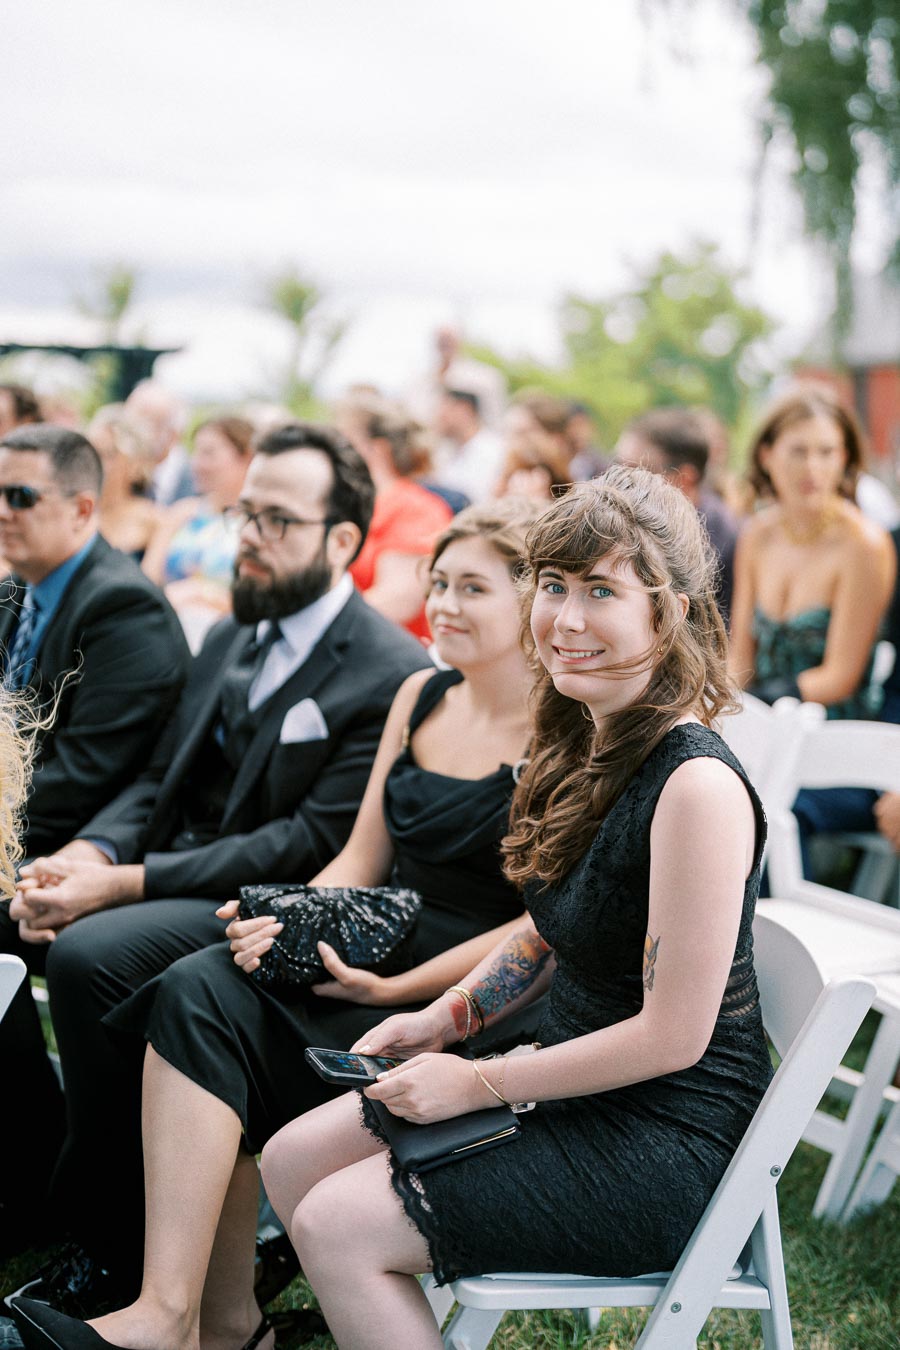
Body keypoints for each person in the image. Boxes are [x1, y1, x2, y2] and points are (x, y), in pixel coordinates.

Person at [227, 465, 774, 1350]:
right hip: (570, 1085)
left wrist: (478, 1080)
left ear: (669, 611)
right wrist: (447, 1017)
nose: (566, 620)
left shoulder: (697, 785)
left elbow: (675, 1037)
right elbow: (549, 929)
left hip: (664, 1138)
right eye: (553, 586)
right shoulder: (588, 736)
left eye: (602, 591)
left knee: (333, 1223)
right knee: (291, 1158)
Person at [9, 499, 537, 1350]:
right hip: (380, 940)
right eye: (437, 582)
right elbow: (360, 859)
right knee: (202, 982)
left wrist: (395, 988)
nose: (442, 604)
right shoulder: (423, 693)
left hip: (470, 995)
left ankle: (199, 1321)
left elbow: (537, 928)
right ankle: (195, 1315)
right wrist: (289, 921)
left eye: (472, 588)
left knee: (220, 1009)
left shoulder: (562, 730)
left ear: (532, 600)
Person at [3, 423, 430, 1284]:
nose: (250, 538)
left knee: (90, 953)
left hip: (271, 907)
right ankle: (31, 1164)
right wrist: (90, 852)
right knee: (17, 910)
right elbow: (160, 776)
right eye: (245, 514)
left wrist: (120, 884)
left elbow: (306, 842)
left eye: (278, 520)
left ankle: (114, 1242)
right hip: (174, 874)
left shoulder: (386, 668)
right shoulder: (235, 633)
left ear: (342, 540)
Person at [0, 423, 190, 1252]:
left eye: (19, 496)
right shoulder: (19, 592)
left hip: (91, 848)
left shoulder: (122, 607)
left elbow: (81, 776)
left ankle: (34, 1166)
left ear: (83, 507)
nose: (2, 511)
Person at [729, 386, 895, 716]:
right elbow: (740, 657)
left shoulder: (864, 544)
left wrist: (763, 700)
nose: (812, 467)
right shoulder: (756, 534)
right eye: (798, 451)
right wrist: (724, 702)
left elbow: (840, 677)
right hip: (758, 718)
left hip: (834, 724)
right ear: (766, 455)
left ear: (844, 458)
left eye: (826, 452)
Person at [335, 394, 452, 639]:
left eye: (345, 443)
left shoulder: (415, 508)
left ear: (375, 449)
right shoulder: (350, 504)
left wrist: (323, 623)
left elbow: (399, 600)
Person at [615, 407, 739, 620]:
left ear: (684, 478)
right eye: (616, 466)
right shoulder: (618, 521)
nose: (617, 481)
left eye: (633, 470)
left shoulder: (724, 542)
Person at [142, 416, 255, 649]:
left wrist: (200, 595)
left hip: (228, 641)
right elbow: (147, 581)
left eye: (209, 453)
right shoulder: (180, 514)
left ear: (245, 457)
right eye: (196, 452)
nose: (197, 464)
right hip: (169, 636)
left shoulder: (255, 523)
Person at [89, 405, 161, 559]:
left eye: (108, 454)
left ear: (135, 463)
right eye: (92, 453)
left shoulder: (154, 521)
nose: (95, 463)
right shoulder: (77, 516)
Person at [123, 381, 194, 506]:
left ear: (174, 435)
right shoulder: (116, 472)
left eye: (146, 425)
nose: (134, 435)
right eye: (130, 425)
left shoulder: (196, 479)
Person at [431, 390, 504, 505]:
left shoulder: (493, 451)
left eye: (443, 414)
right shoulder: (447, 452)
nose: (437, 419)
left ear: (464, 410)